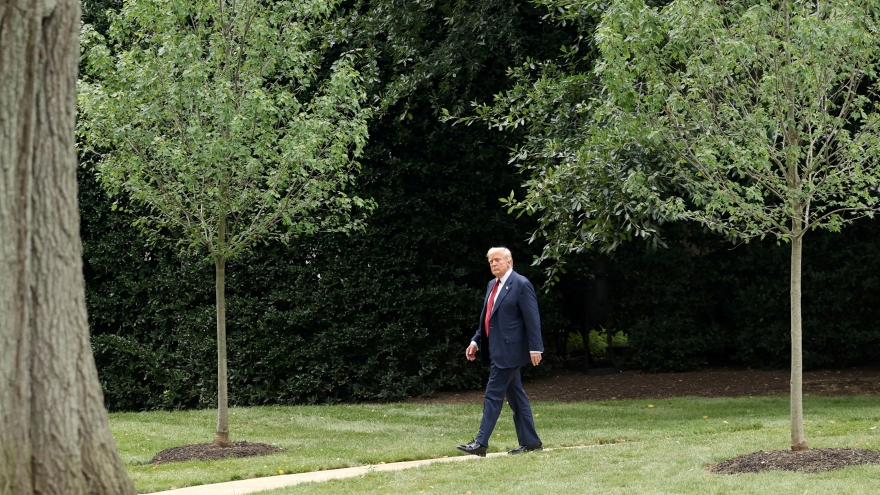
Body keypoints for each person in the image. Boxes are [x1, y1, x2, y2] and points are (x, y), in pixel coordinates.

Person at [456, 247, 544, 457]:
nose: (494, 264)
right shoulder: (492, 285)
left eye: (497, 260)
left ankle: (480, 442)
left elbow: (532, 318)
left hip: (511, 351)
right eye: (491, 261)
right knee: (516, 396)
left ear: (509, 262)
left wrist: (536, 347)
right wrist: (476, 341)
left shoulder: (521, 284)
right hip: (497, 349)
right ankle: (531, 442)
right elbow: (488, 319)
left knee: (493, 394)